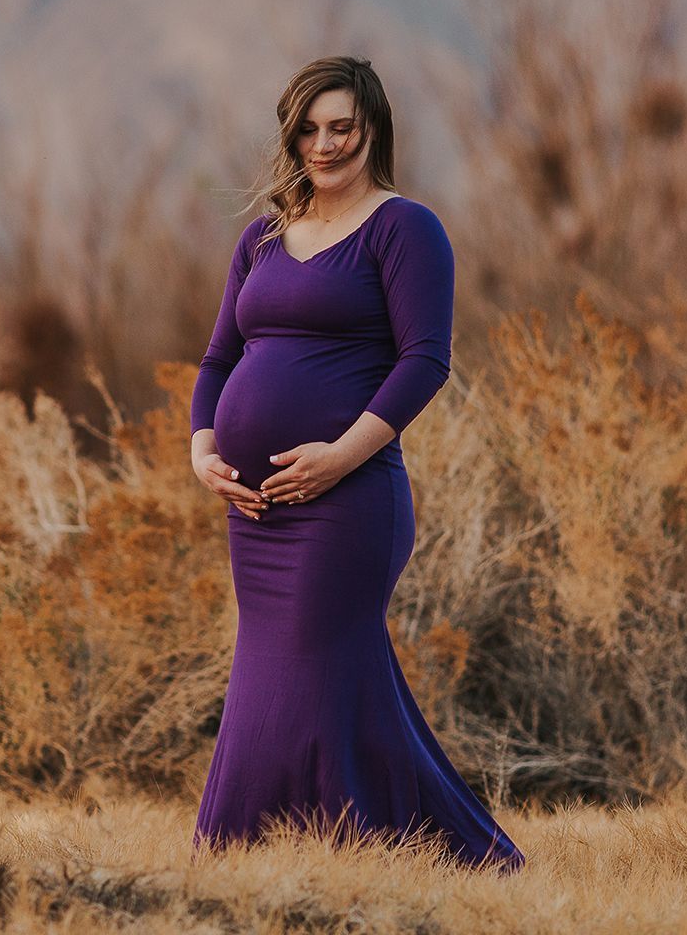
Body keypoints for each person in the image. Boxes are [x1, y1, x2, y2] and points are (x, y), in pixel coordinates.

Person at [188, 55, 524, 872]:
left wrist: (339, 456)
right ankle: (333, 854)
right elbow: (218, 359)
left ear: (373, 128)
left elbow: (424, 360)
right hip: (259, 510)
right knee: (301, 677)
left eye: (341, 126)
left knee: (307, 674)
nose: (324, 143)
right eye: (308, 128)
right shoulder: (262, 235)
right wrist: (203, 448)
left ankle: (264, 848)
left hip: (350, 503)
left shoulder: (405, 228)